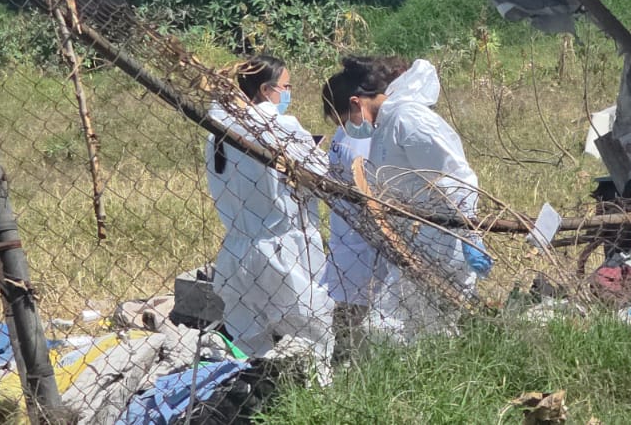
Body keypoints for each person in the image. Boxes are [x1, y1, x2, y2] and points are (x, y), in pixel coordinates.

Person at [204, 55, 335, 375]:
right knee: (313, 334)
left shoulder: (216, 131)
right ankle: (317, 396)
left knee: (250, 344)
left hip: (237, 251)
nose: (289, 94)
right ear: (265, 90)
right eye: (286, 87)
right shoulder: (279, 126)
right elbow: (321, 176)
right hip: (284, 247)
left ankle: (256, 395)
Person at [353, 57, 486, 341]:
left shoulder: (408, 119)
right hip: (417, 244)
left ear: (356, 103)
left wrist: (470, 232)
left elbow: (454, 176)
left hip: (442, 241)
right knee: (424, 333)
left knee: (387, 328)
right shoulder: (386, 125)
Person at [317, 56, 405, 347]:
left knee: (354, 333)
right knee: (360, 333)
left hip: (358, 254)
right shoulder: (358, 136)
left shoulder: (354, 135)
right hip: (360, 253)